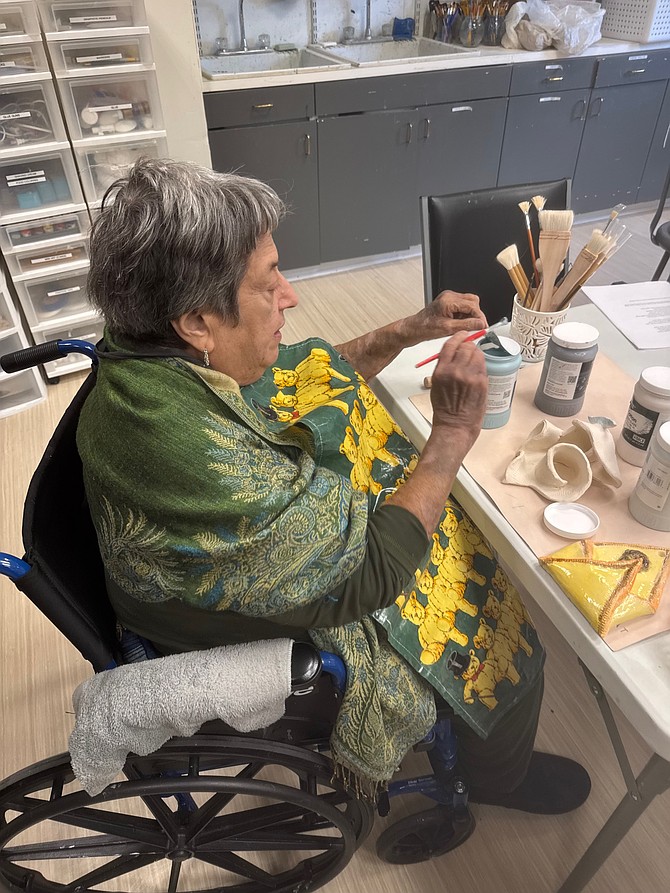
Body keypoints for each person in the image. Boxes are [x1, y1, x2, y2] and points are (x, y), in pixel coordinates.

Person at [77, 157, 590, 815]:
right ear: (198, 322)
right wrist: (453, 435)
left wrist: (410, 328)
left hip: (218, 562)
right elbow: (367, 574)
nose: (290, 294)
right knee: (506, 640)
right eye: (268, 284)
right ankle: (497, 778)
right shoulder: (194, 456)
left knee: (449, 511)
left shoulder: (150, 348)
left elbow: (299, 376)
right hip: (237, 621)